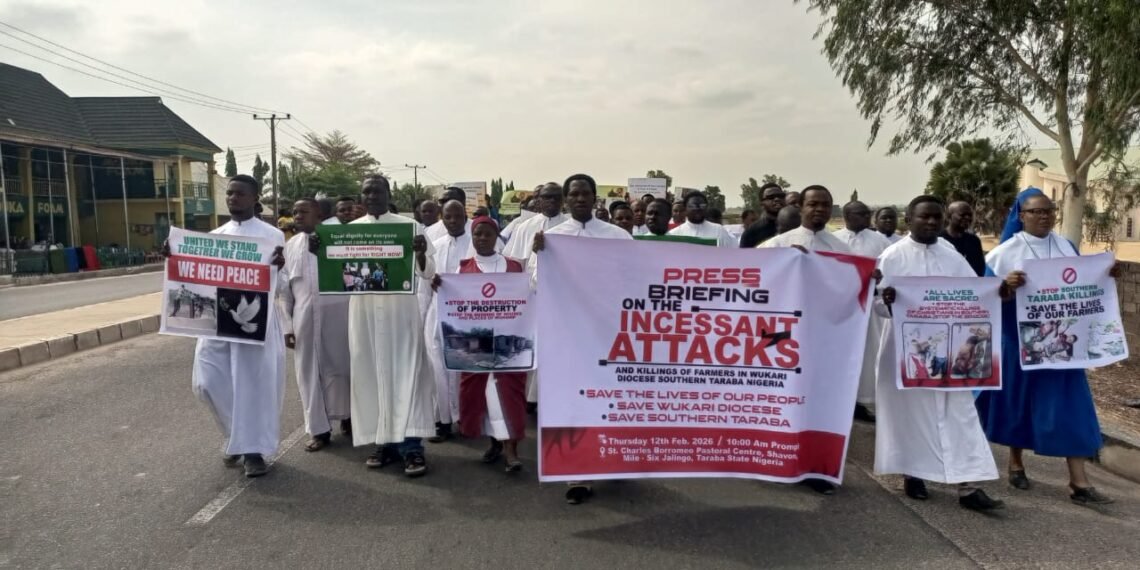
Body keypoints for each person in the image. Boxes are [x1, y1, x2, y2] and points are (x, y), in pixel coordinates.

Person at [975, 188, 1114, 505]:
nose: (1044, 216)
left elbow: (1084, 286)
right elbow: (987, 299)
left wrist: (1107, 274)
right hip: (1021, 344)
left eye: (1049, 210)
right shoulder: (1003, 254)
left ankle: (1079, 482)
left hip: (1064, 348)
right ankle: (1016, 462)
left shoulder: (1066, 246)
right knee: (1019, 405)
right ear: (1021, 216)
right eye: (1036, 211)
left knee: (1072, 408)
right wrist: (1005, 287)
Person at [877, 196, 1003, 512]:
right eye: (924, 217)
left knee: (961, 415)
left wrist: (998, 292)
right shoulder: (892, 257)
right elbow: (876, 304)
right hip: (909, 352)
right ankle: (914, 473)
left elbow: (975, 295)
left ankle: (969, 487)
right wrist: (888, 300)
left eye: (936, 217)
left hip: (951, 349)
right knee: (913, 416)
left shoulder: (952, 255)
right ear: (909, 219)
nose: (932, 223)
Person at [532, 173, 632, 504]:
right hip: (569, 335)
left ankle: (613, 459)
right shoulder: (552, 237)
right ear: (564, 199)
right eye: (573, 194)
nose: (579, 199)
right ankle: (577, 472)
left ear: (595, 198)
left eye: (585, 193)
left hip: (608, 332)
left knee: (609, 399)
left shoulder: (617, 236)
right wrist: (541, 258)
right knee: (573, 401)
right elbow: (536, 285)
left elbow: (636, 276)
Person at [183, 175, 286, 478]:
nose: (232, 198)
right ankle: (235, 437)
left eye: (239, 194)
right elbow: (196, 277)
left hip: (255, 325)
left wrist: (277, 269)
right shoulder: (215, 237)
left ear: (254, 198)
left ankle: (252, 451)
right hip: (217, 322)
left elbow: (280, 284)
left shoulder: (272, 235)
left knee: (250, 386)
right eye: (229, 193)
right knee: (206, 382)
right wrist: (175, 257)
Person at [338, 175, 437, 477]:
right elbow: (337, 274)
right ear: (361, 197)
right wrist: (322, 253)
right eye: (366, 191)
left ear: (388, 193)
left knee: (406, 375)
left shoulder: (410, 227)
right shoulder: (349, 233)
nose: (372, 196)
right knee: (371, 375)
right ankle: (383, 442)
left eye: (377, 191)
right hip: (365, 314)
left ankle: (411, 448)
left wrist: (420, 253)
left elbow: (428, 273)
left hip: (400, 315)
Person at [434, 216, 530, 473]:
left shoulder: (514, 268)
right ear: (472, 237)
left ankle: (512, 450)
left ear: (497, 236)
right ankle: (494, 443)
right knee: (485, 398)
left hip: (508, 345)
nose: (482, 239)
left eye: (488, 234)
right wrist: (439, 287)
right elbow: (453, 302)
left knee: (508, 397)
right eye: (478, 234)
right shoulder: (462, 269)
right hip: (476, 347)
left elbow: (529, 296)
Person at [279, 197, 351, 452]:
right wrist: (287, 327)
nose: (297, 216)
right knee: (308, 374)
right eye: (295, 213)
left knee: (343, 368)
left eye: (303, 212)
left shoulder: (339, 236)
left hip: (340, 317)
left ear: (318, 213)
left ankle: (349, 417)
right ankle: (319, 430)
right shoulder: (291, 246)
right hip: (304, 319)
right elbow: (285, 291)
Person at [832, 200, 894, 422]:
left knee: (868, 355)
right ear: (847, 215)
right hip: (838, 311)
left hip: (868, 310)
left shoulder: (880, 242)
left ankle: (862, 403)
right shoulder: (834, 240)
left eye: (868, 214)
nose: (867, 217)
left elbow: (889, 273)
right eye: (861, 214)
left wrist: (878, 278)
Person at [424, 200, 470, 443]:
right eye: (448, 217)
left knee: (464, 369)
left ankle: (465, 418)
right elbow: (424, 279)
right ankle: (442, 421)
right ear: (443, 218)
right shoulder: (436, 246)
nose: (453, 221)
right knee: (438, 369)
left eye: (458, 217)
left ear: (465, 217)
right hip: (438, 313)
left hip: (468, 316)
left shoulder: (477, 244)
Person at [759, 186, 850, 253]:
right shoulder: (776, 245)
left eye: (826, 205)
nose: (820, 209)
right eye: (813, 204)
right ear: (801, 207)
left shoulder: (842, 249)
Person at [668, 191, 737, 247]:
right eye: (693, 206)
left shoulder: (718, 230)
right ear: (685, 209)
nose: (698, 209)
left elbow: (731, 255)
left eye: (702, 206)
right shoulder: (674, 234)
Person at [940, 201, 986, 276]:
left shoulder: (974, 240)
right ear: (949, 216)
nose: (967, 218)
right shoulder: (938, 239)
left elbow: (979, 268)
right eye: (962, 215)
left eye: (970, 215)